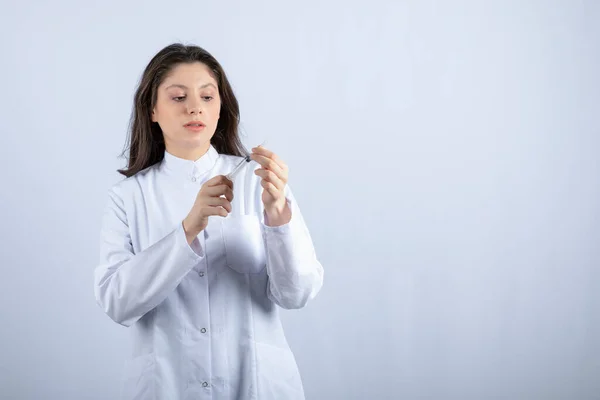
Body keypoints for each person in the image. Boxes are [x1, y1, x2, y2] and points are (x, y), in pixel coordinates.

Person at [93, 43, 324, 400]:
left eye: (207, 96)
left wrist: (278, 217)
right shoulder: (128, 198)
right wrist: (188, 230)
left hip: (255, 384)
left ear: (220, 107)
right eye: (178, 97)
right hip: (166, 387)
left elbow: (297, 294)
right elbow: (117, 303)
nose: (194, 107)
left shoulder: (257, 181)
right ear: (152, 109)